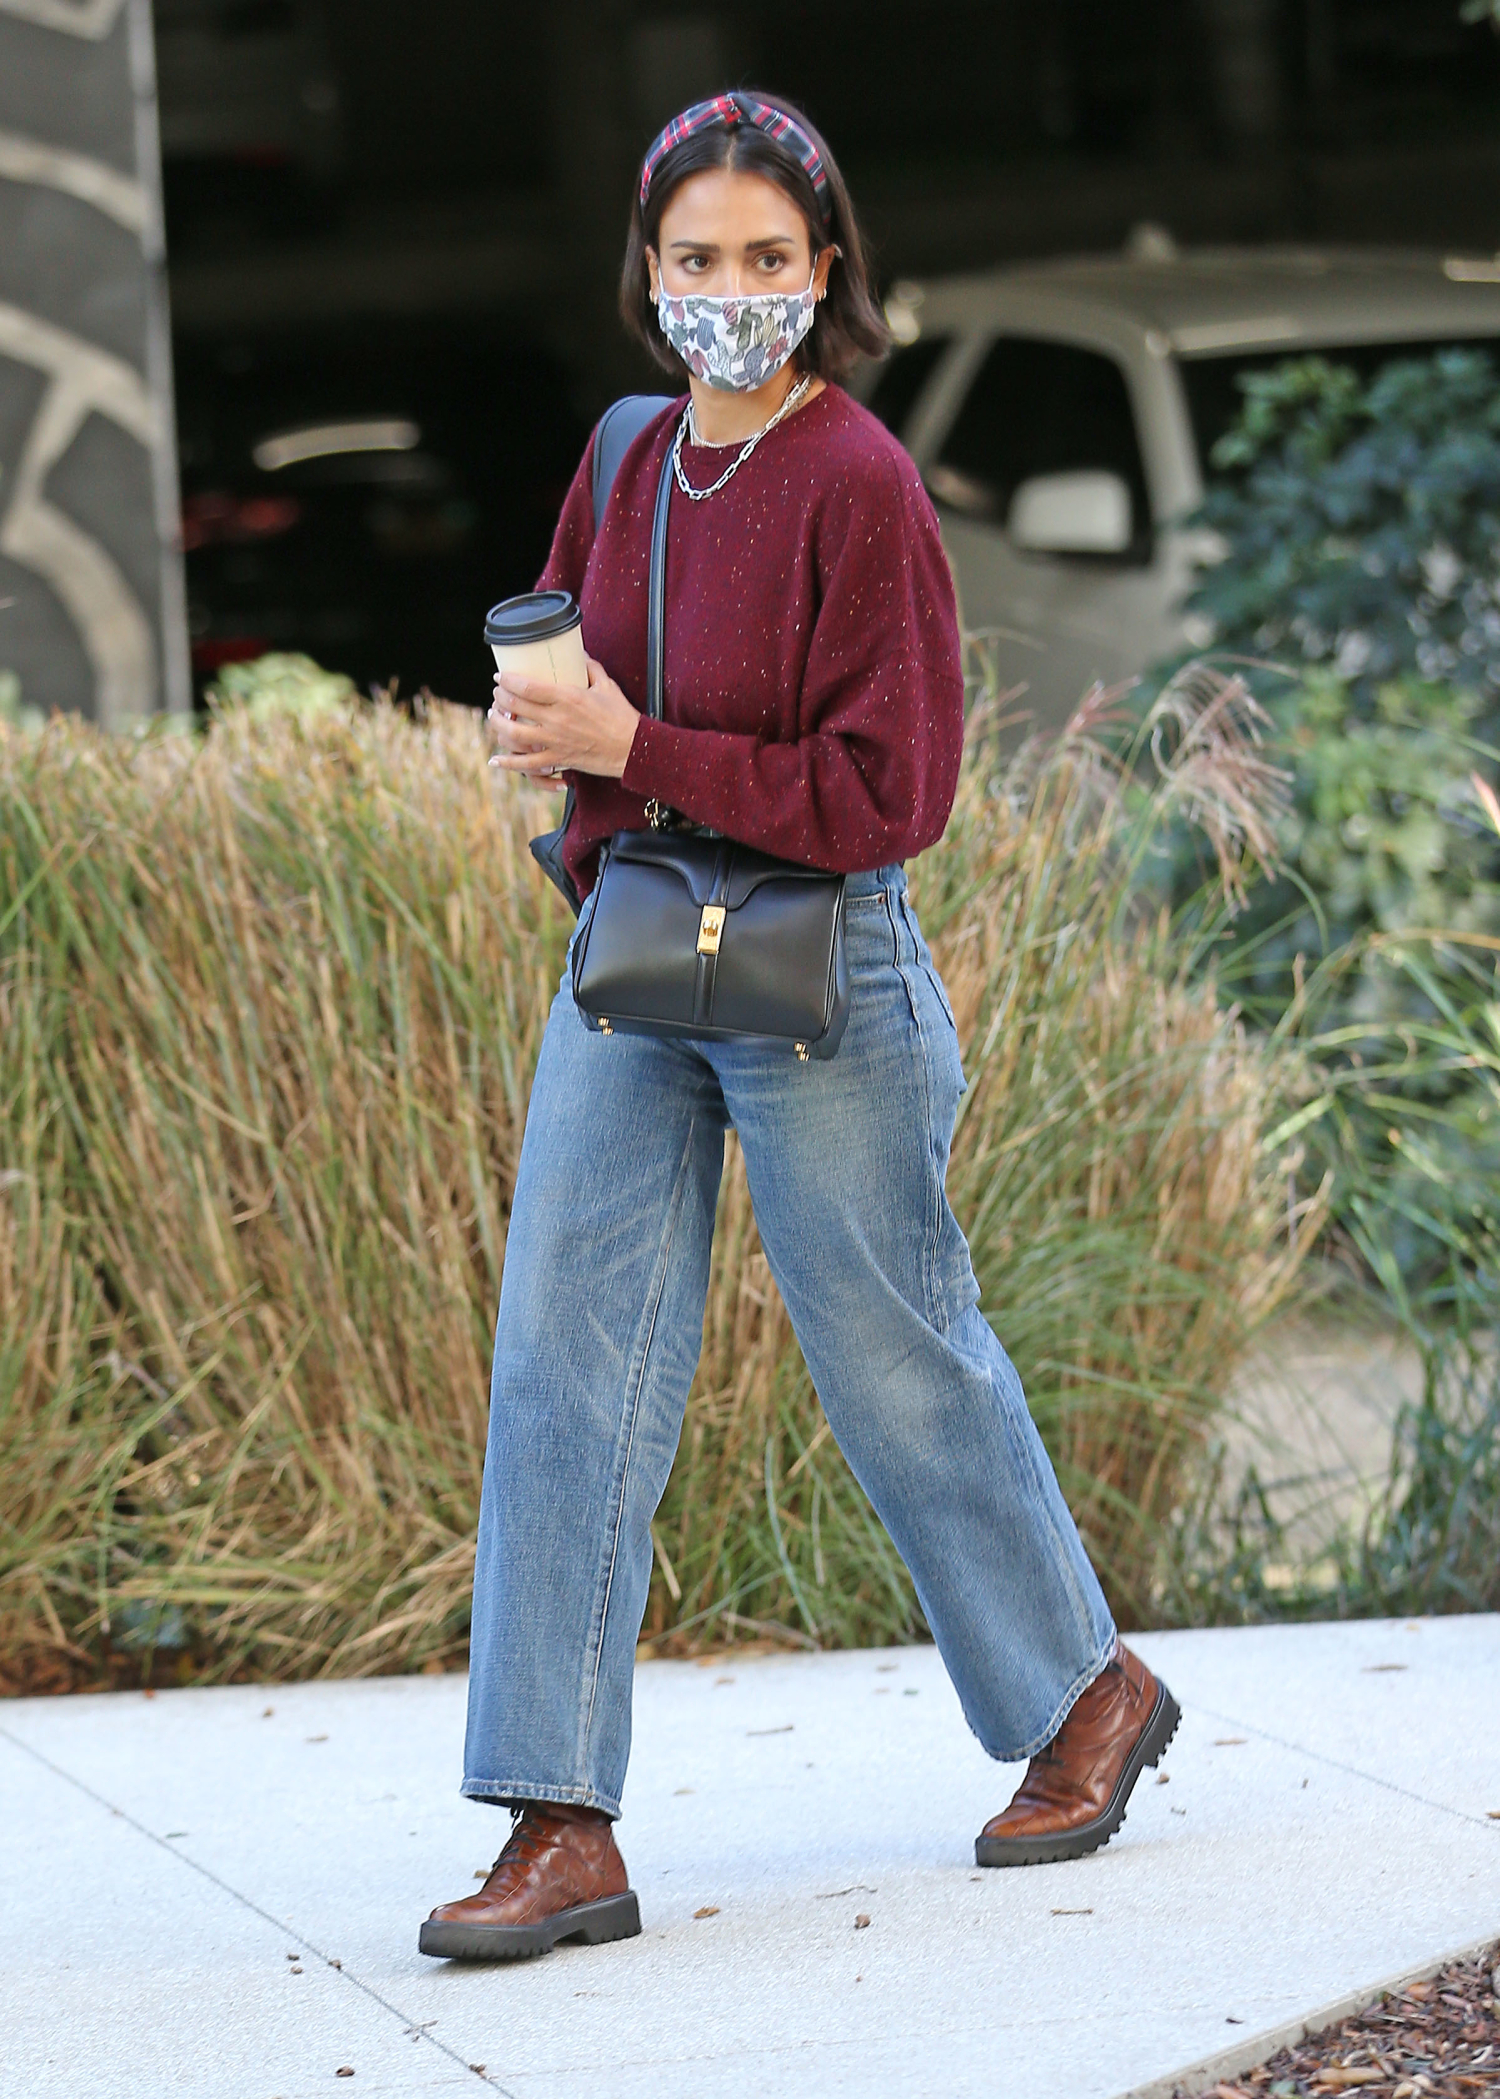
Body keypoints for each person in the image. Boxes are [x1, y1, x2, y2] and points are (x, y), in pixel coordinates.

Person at [420, 91, 1179, 1965]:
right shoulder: (625, 452)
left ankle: (1085, 1692)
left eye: (769, 257)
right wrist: (571, 780)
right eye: (698, 259)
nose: (732, 290)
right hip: (637, 955)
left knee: (893, 1352)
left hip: (821, 959)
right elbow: (585, 692)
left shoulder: (861, 482)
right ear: (648, 272)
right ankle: (557, 1823)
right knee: (562, 1360)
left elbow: (888, 792)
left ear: (826, 270)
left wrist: (635, 750)